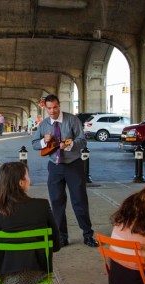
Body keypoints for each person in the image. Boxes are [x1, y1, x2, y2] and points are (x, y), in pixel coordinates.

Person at [0, 162, 61, 284]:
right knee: (21, 262)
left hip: (8, 274)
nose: (30, 180)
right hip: (38, 270)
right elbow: (56, 245)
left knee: (11, 264)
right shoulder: (42, 206)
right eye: (27, 176)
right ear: (21, 183)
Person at [31, 94, 96, 247]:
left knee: (79, 201)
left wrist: (69, 144)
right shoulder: (44, 125)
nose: (52, 111)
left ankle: (88, 235)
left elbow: (82, 140)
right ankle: (62, 237)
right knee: (56, 202)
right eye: (49, 108)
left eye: (55, 107)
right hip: (54, 166)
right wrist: (43, 141)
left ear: (59, 106)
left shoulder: (72, 120)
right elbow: (34, 143)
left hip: (73, 165)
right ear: (45, 108)